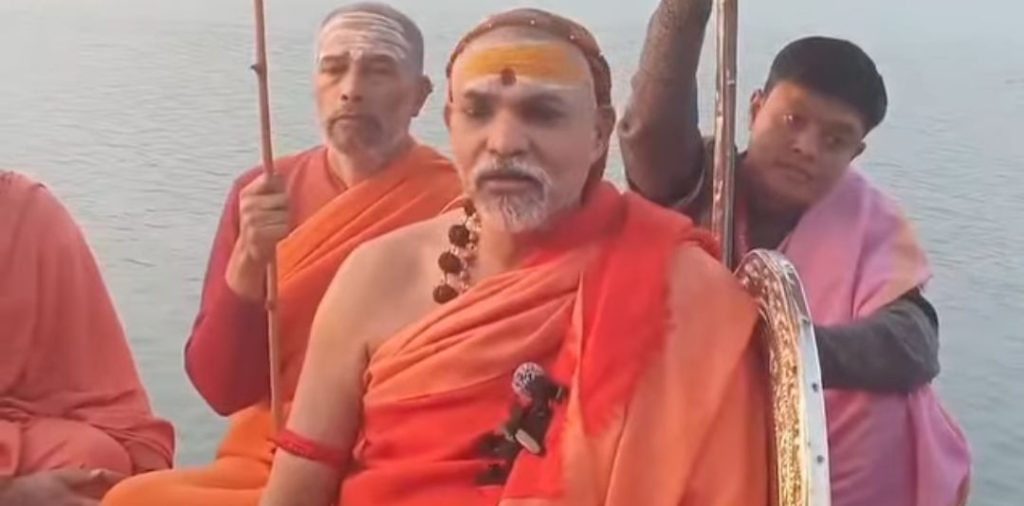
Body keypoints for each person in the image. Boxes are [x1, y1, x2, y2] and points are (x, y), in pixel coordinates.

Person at [260, 9, 768, 506]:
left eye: (542, 113)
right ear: (450, 123)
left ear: (598, 134)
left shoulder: (688, 295)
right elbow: (300, 480)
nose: (503, 143)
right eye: (478, 112)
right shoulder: (376, 275)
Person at [101, 3, 461, 506]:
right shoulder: (265, 192)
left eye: (378, 70)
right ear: (314, 84)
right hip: (271, 450)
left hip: (393, 454)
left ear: (420, 96)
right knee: (134, 498)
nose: (351, 89)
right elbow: (222, 389)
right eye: (333, 68)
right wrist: (250, 258)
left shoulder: (456, 205)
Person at [618, 1, 971, 504]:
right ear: (755, 107)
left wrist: (777, 349)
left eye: (835, 139)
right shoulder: (698, 183)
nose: (807, 146)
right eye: (791, 119)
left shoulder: (868, 219)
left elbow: (912, 343)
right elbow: (650, 130)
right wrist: (686, 9)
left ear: (856, 153)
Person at [0, 171, 174, 506]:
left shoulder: (26, 213)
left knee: (95, 461)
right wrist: (14, 495)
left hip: (25, 438)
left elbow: (106, 398)